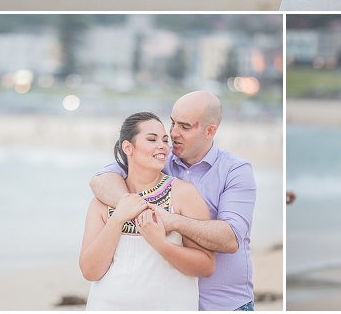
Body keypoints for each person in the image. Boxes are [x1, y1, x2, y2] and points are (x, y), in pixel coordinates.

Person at [90, 91, 256, 311]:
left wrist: (173, 221)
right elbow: (100, 181)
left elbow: (231, 239)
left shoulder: (235, 171)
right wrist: (135, 209)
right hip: (172, 302)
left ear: (210, 131)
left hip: (223, 303)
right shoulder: (158, 157)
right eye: (172, 123)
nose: (174, 134)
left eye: (185, 127)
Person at [79, 112, 215, 311]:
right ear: (128, 147)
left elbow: (206, 266)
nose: (162, 146)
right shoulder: (103, 201)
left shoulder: (183, 194)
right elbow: (90, 271)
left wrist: (160, 243)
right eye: (152, 139)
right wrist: (118, 218)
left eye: (165, 140)